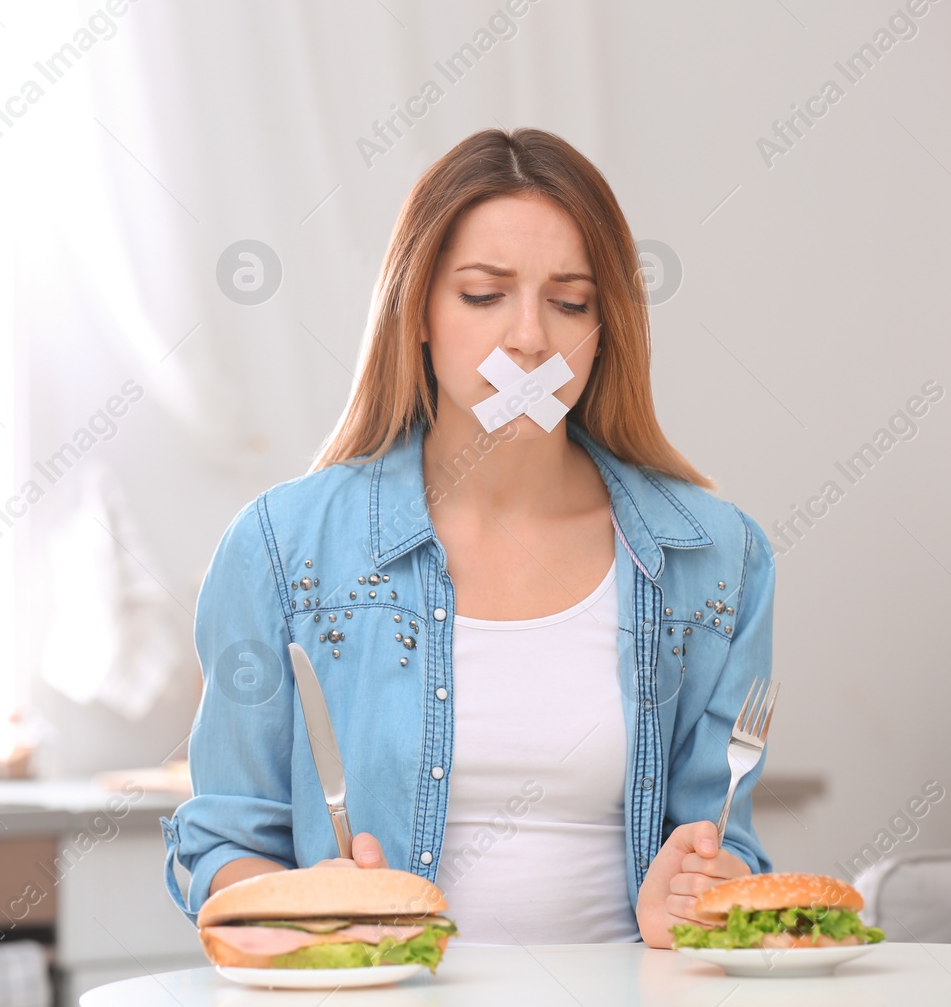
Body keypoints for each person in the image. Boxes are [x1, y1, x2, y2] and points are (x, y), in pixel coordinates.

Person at [161, 127, 774, 948]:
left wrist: (706, 888)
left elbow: (724, 846)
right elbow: (224, 844)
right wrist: (300, 906)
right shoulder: (281, 548)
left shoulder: (718, 556)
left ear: (607, 326)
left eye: (571, 302)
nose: (530, 338)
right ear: (417, 310)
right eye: (484, 295)